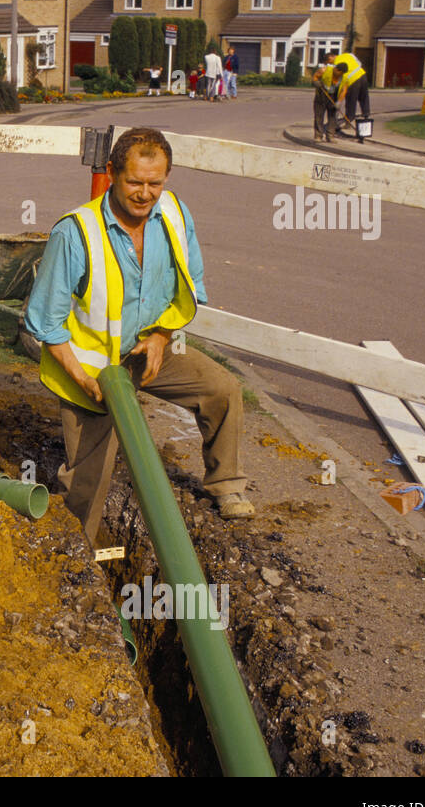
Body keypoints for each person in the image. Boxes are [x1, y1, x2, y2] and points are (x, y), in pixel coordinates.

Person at [23, 127, 255, 547]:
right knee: (89, 478)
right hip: (92, 369)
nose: (145, 194)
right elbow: (44, 325)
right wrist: (85, 381)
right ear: (112, 173)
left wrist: (162, 337)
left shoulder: (176, 216)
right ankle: (78, 552)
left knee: (223, 390)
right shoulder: (75, 233)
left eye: (155, 183)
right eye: (134, 182)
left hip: (149, 350)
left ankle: (227, 484)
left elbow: (192, 286)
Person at [331, 52, 369, 139]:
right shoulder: (349, 55)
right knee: (364, 97)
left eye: (330, 61)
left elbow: (341, 83)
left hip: (352, 81)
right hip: (362, 75)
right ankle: (366, 115)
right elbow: (359, 63)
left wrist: (338, 101)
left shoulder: (337, 64)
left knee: (351, 101)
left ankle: (348, 121)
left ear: (333, 57)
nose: (331, 63)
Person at [313, 63, 338, 142]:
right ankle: (318, 135)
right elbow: (315, 77)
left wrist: (339, 102)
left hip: (334, 97)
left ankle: (330, 135)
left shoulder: (344, 77)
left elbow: (343, 90)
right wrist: (316, 83)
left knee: (332, 116)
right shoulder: (324, 70)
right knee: (319, 116)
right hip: (321, 96)